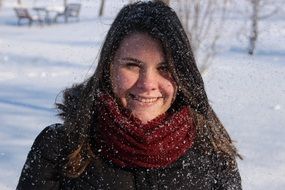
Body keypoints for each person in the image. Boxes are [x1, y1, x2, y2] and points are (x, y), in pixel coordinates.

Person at [17, 1, 242, 189]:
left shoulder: (212, 155)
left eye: (165, 68)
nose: (147, 84)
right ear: (109, 68)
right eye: (133, 65)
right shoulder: (60, 148)